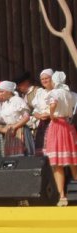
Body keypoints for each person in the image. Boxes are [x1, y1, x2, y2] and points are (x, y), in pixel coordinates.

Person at [42, 71, 77, 206]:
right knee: (73, 161)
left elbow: (53, 104)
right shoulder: (69, 94)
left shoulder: (55, 93)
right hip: (68, 126)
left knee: (57, 163)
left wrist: (51, 115)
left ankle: (62, 196)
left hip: (57, 126)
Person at [0, 81, 35, 157]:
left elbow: (26, 117)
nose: (0, 94)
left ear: (9, 91)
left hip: (20, 129)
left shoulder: (17, 100)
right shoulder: (6, 103)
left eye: (2, 91)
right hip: (10, 132)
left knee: (23, 156)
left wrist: (14, 127)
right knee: (11, 158)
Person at [31, 69, 54, 155]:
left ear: (52, 78)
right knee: (42, 151)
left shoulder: (57, 92)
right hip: (43, 124)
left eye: (46, 78)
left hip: (54, 122)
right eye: (42, 79)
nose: (44, 80)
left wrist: (49, 115)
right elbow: (35, 111)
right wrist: (39, 116)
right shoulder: (40, 92)